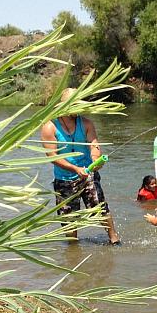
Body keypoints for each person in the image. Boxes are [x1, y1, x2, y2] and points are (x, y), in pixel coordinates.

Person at [40, 88, 119, 244]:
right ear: (66, 106)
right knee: (69, 217)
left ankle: (114, 239)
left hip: (88, 174)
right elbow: (52, 157)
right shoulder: (50, 127)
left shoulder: (86, 123)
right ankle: (73, 248)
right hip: (64, 178)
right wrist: (75, 169)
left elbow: (94, 144)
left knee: (100, 208)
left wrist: (96, 160)